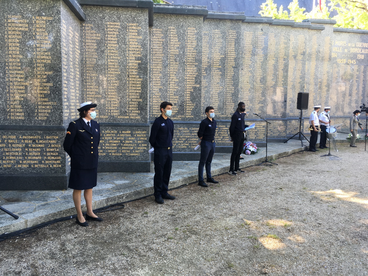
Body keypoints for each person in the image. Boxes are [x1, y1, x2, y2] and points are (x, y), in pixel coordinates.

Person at [63, 102, 102, 227]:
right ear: (85, 111)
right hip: (79, 162)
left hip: (91, 161)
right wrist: (77, 156)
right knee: (78, 188)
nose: (94, 112)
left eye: (94, 110)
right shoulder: (75, 125)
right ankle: (80, 215)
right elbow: (67, 145)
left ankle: (90, 212)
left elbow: (96, 143)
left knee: (89, 187)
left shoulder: (96, 125)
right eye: (91, 110)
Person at [149, 101, 175, 204]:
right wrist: (158, 147)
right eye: (168, 108)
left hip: (169, 150)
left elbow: (171, 136)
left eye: (171, 108)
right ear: (162, 109)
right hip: (160, 151)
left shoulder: (170, 122)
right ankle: (158, 194)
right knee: (159, 173)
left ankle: (165, 191)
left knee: (167, 172)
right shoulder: (158, 122)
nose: (170, 110)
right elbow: (152, 139)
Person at [197, 106, 219, 187]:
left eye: (213, 111)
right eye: (210, 111)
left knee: (209, 161)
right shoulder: (204, 122)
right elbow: (200, 134)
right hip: (206, 143)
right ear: (206, 113)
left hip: (212, 143)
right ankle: (201, 180)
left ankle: (209, 177)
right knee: (203, 161)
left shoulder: (214, 122)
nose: (212, 113)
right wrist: (204, 139)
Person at [229, 102, 247, 175]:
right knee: (235, 152)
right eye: (242, 106)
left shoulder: (241, 115)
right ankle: (231, 169)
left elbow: (241, 124)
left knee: (239, 151)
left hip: (242, 135)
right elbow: (232, 127)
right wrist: (232, 137)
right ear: (239, 106)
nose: (243, 107)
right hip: (236, 135)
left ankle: (237, 167)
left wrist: (247, 127)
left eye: (244, 106)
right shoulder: (235, 115)